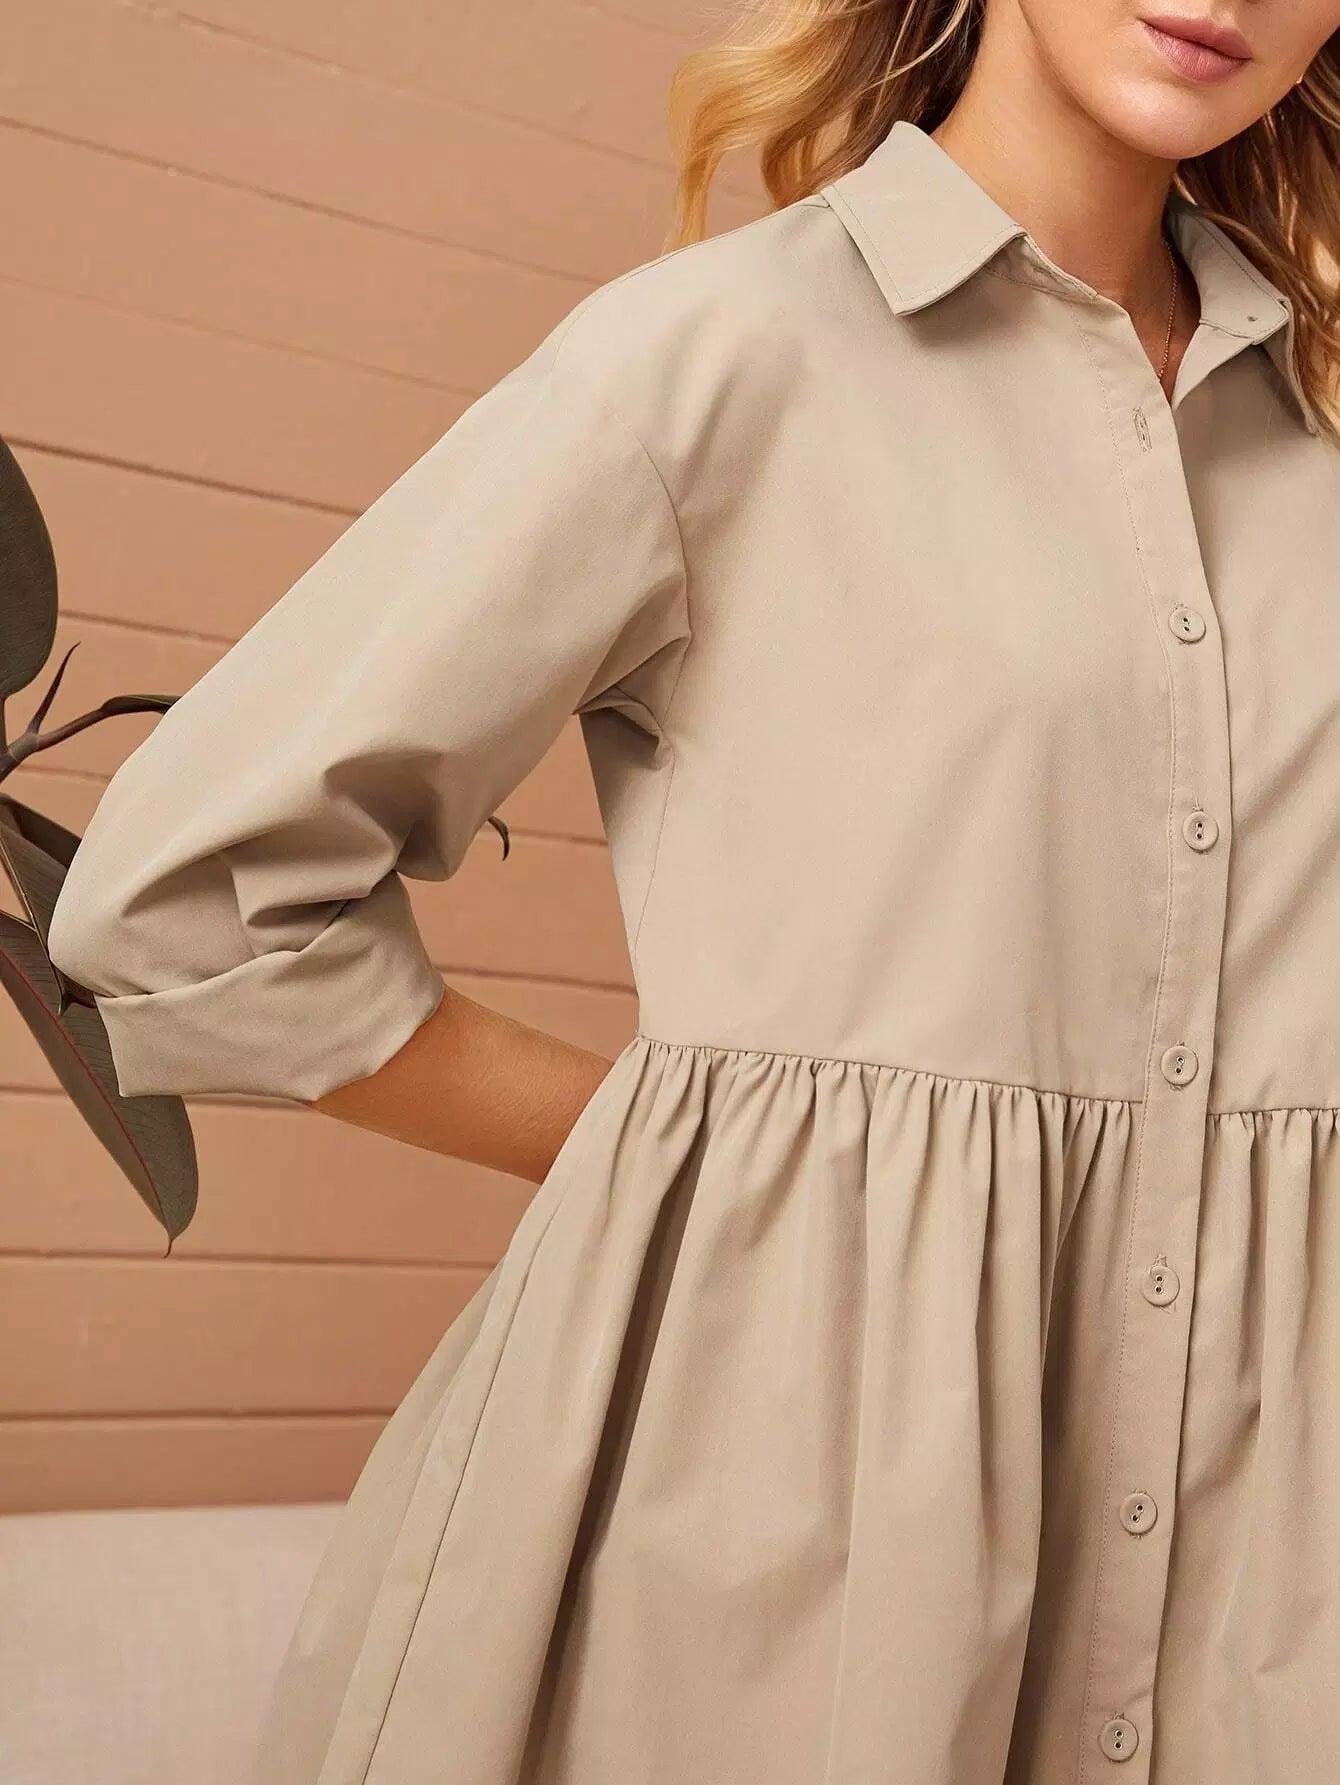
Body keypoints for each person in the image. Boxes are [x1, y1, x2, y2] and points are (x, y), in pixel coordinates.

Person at [45, 0, 1340, 1780]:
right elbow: (183, 896)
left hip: (1269, 1570)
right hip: (786, 1547)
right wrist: (698, 1155)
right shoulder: (723, 360)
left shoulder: (1319, 438)